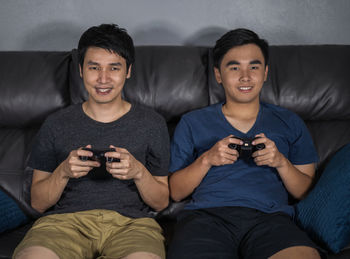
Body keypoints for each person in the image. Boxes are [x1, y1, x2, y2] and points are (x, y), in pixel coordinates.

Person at [14, 24, 169, 259]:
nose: (103, 79)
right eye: (94, 67)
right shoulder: (55, 124)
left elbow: (160, 202)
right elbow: (38, 203)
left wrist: (138, 172)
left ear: (128, 71)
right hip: (64, 225)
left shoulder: (152, 123)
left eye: (114, 68)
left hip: (131, 226)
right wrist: (63, 171)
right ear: (80, 69)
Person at [167, 28, 321, 259]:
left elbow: (304, 192)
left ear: (266, 72)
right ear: (218, 75)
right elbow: (176, 192)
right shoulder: (192, 122)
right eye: (234, 67)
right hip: (207, 219)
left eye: (254, 66)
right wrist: (207, 159)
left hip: (271, 220)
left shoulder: (289, 122)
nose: (245, 76)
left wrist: (280, 162)